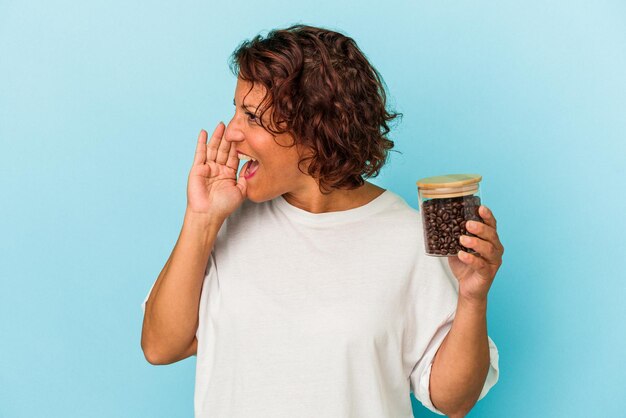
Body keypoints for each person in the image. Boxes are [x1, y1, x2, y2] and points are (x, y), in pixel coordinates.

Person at [140, 24, 503, 418]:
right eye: (235, 109)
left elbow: (454, 400)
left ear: (315, 129)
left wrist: (472, 298)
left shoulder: (407, 237)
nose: (231, 134)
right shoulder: (225, 219)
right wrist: (202, 219)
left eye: (252, 117)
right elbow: (160, 347)